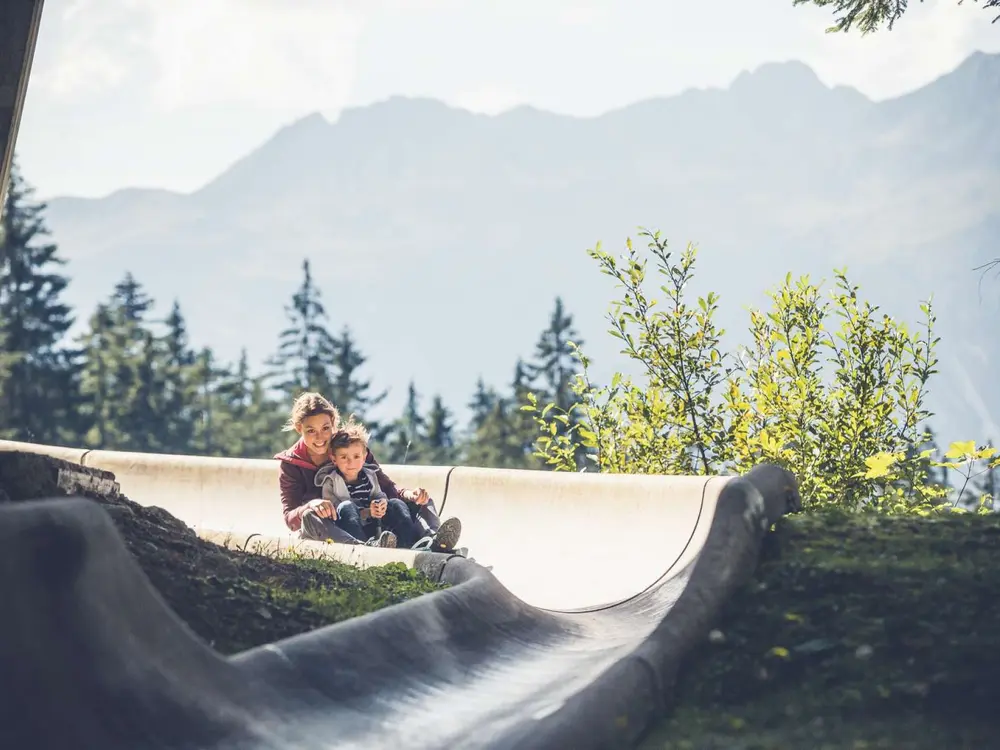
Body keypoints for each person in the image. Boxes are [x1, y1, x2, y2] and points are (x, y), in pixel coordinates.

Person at [274, 392, 461, 551]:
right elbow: (290, 518)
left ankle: (434, 542)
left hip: (368, 522)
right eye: (310, 430)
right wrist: (311, 504)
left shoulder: (350, 449)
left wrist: (409, 494)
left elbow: (386, 486)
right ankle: (361, 550)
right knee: (310, 517)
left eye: (325, 428)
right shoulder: (292, 464)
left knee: (421, 499)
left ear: (333, 423)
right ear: (299, 428)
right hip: (330, 531)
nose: (320, 437)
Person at [313, 419, 462, 551]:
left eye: (356, 456)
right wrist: (367, 512)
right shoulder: (330, 481)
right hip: (352, 529)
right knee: (346, 506)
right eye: (344, 457)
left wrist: (381, 505)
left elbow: (379, 494)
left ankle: (409, 545)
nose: (350, 462)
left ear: (364, 457)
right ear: (334, 459)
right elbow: (335, 513)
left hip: (377, 525)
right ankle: (365, 547)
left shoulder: (370, 475)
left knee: (396, 503)